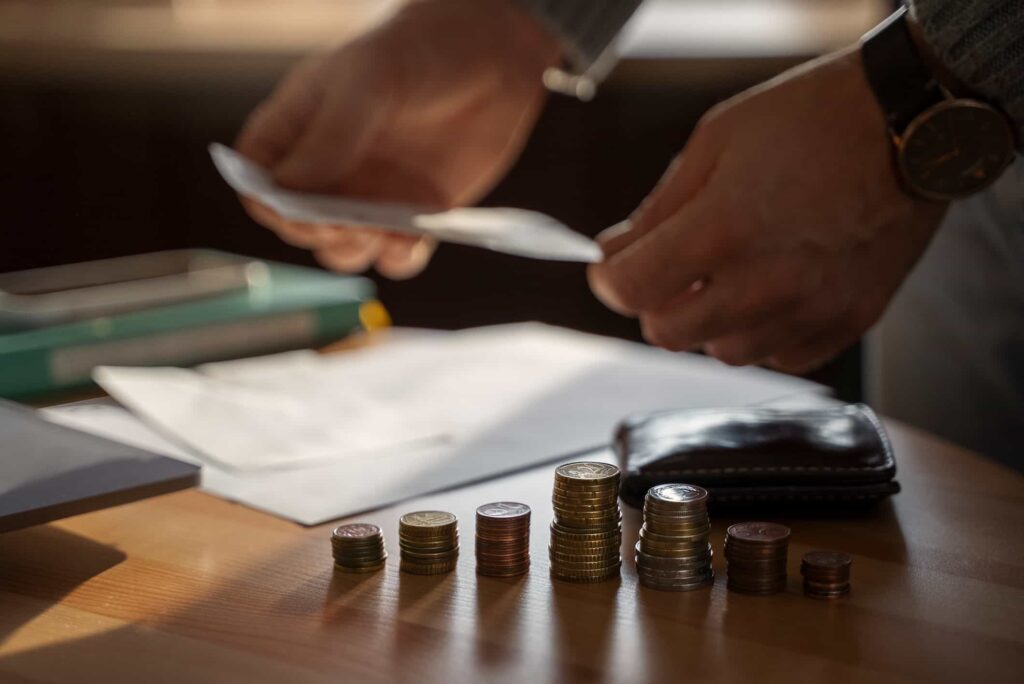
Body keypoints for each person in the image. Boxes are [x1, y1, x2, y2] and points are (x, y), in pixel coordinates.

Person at [233, 0, 1022, 468]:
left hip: (942, 119)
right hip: (958, 134)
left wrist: (927, 84)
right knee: (963, 565)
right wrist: (511, 17)